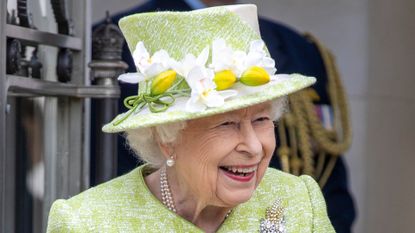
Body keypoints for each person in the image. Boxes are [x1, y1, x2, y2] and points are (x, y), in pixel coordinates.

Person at [48, 5, 334, 232]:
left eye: (261, 120)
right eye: (227, 124)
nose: (254, 147)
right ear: (166, 138)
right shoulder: (87, 224)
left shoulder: (298, 201)